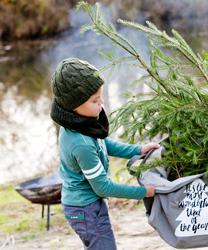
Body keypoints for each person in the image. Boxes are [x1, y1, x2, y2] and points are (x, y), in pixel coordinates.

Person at [50, 58, 159, 249]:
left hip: (87, 206)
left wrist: (138, 150)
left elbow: (103, 143)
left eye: (100, 96)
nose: (102, 101)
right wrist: (143, 192)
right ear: (73, 106)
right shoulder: (80, 144)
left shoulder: (78, 124)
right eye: (94, 100)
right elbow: (103, 187)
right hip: (85, 209)